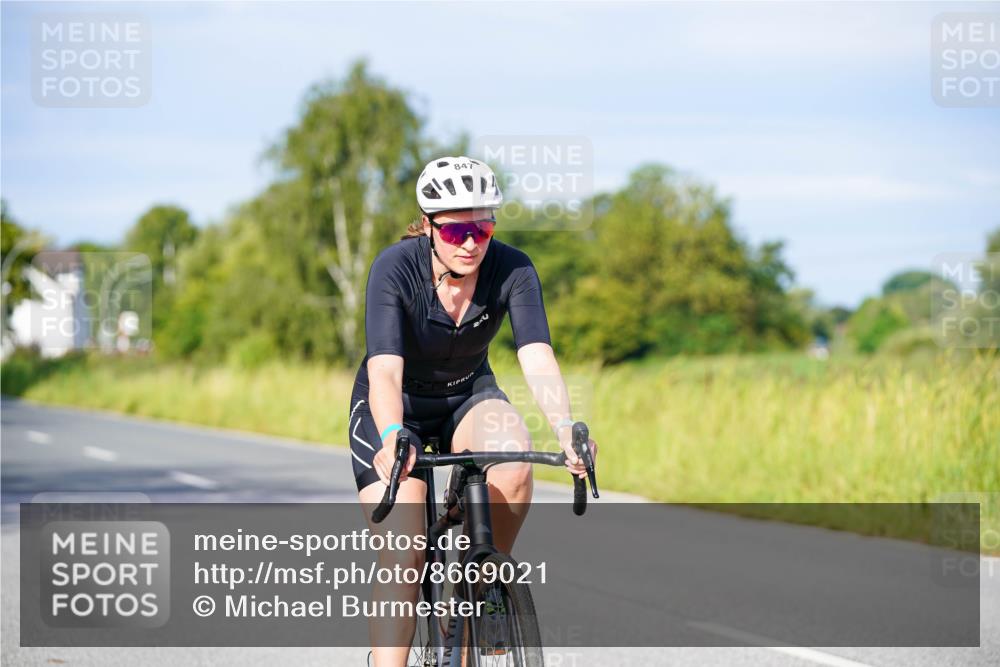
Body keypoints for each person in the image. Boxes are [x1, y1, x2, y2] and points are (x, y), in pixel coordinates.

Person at [349, 156, 598, 666]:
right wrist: (395, 433)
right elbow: (386, 371)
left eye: (482, 228)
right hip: (398, 407)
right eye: (458, 229)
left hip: (467, 394)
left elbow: (536, 355)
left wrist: (566, 429)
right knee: (405, 551)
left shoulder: (513, 267)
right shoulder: (394, 269)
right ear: (429, 225)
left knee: (514, 463)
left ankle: (486, 586)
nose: (471, 242)